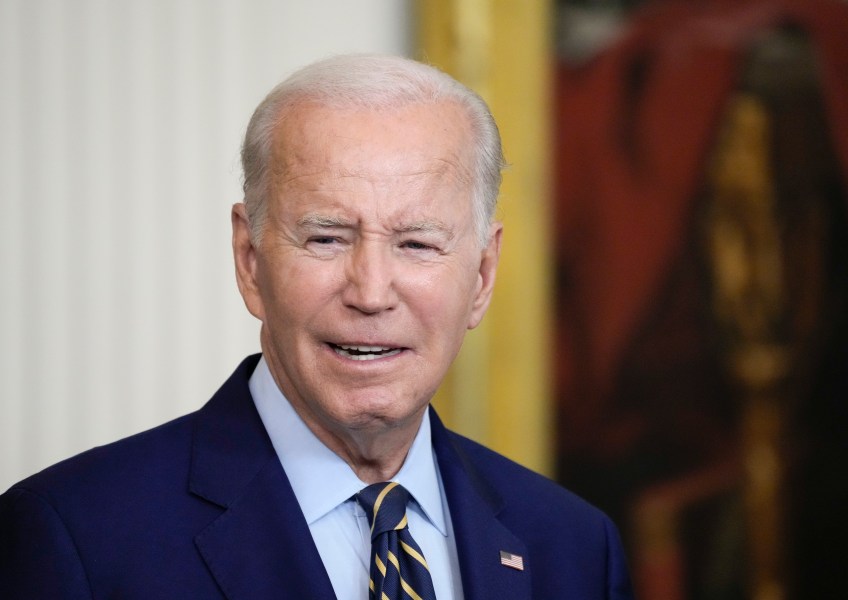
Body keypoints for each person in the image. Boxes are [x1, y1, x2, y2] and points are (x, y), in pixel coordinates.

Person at [0, 54, 633, 599]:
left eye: (416, 244)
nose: (371, 292)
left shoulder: (574, 547)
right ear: (251, 261)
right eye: (327, 238)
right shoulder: (75, 537)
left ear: (483, 275)